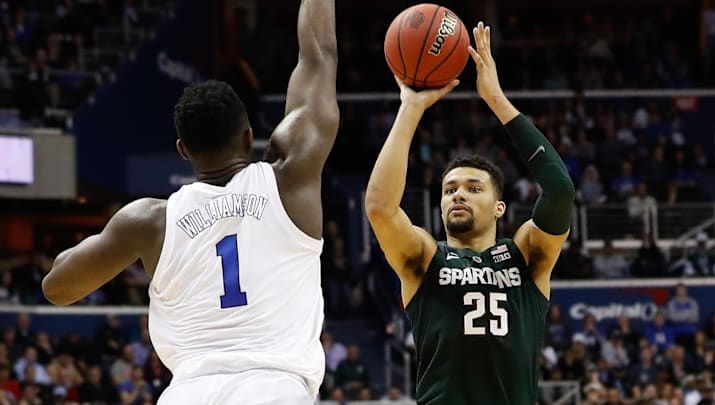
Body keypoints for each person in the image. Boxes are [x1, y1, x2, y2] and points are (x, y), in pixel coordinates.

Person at [41, 0, 339, 403]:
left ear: (183, 151)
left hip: (188, 393)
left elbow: (57, 288)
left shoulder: (149, 222)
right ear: (250, 138)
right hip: (275, 388)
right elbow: (317, 54)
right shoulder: (289, 180)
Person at [365, 22, 575, 405]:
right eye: (450, 190)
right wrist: (410, 109)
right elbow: (380, 208)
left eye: (473, 188)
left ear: (499, 208)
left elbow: (560, 190)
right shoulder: (426, 258)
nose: (458, 194)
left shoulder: (526, 255)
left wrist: (495, 99)